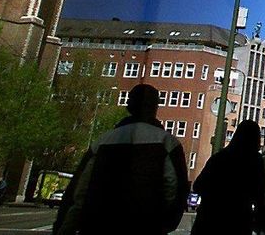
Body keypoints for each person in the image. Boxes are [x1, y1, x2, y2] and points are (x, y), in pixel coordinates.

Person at [53, 84, 189, 235]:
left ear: (129, 105)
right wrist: (163, 223)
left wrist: (65, 227)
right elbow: (175, 189)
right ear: (155, 106)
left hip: (99, 224)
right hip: (145, 225)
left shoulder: (103, 141)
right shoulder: (167, 143)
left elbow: (80, 191)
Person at [190, 119, 265, 235]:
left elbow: (198, 185)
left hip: (209, 219)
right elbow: (259, 195)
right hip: (238, 222)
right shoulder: (255, 162)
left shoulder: (219, 158)